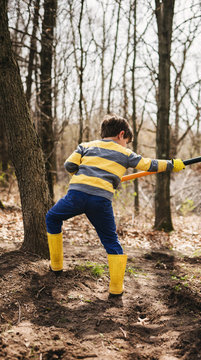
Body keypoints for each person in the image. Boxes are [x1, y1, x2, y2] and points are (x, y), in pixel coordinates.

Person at [45, 114, 185, 296]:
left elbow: (69, 165)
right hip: (100, 201)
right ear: (121, 134)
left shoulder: (85, 146)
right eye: (126, 140)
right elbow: (149, 164)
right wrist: (172, 165)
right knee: (111, 240)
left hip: (76, 196)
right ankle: (116, 289)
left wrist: (83, 174)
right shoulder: (125, 154)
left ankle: (56, 266)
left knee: (52, 217)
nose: (126, 144)